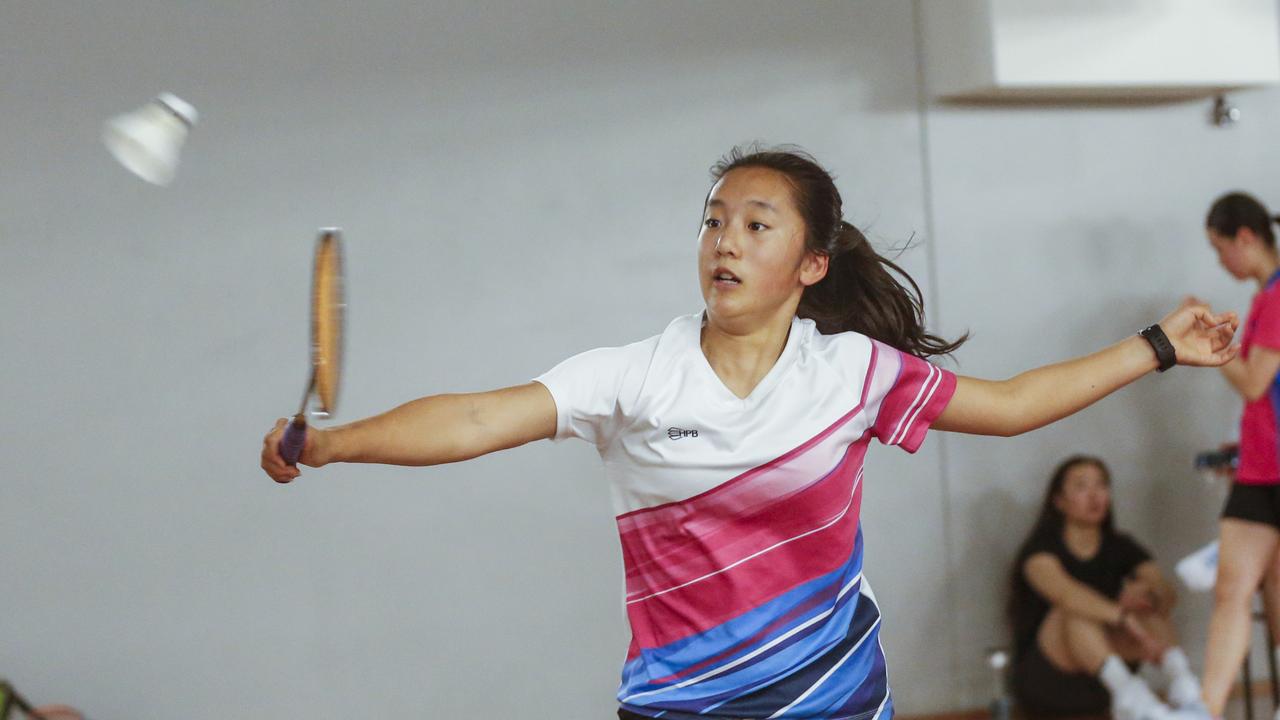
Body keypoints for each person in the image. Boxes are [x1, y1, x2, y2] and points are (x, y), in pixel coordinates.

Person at [261, 147, 1238, 720]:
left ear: (810, 264)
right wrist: (334, 443)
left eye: (755, 224)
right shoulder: (632, 376)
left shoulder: (849, 374)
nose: (723, 239)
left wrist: (1156, 344)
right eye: (712, 220)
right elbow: (478, 418)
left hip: (833, 694)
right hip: (679, 704)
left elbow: (1015, 403)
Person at [1009, 455, 1203, 720]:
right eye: (1081, 486)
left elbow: (1165, 591)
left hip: (1106, 676)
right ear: (1059, 501)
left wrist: (1149, 595)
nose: (1095, 495)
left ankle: (1185, 688)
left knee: (1147, 603)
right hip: (1050, 678)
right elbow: (1067, 595)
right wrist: (1122, 615)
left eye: (1101, 485)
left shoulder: (1121, 545)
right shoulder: (1040, 552)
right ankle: (1133, 701)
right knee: (1074, 612)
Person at [1197, 192, 1280, 720]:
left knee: (1249, 594)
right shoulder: (1264, 296)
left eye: (1218, 247)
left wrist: (1209, 347)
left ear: (1244, 237)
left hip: (1271, 471)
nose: (1219, 261)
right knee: (1236, 590)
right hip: (1260, 466)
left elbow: (1254, 382)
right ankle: (1203, 707)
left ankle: (1204, 706)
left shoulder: (1276, 297)